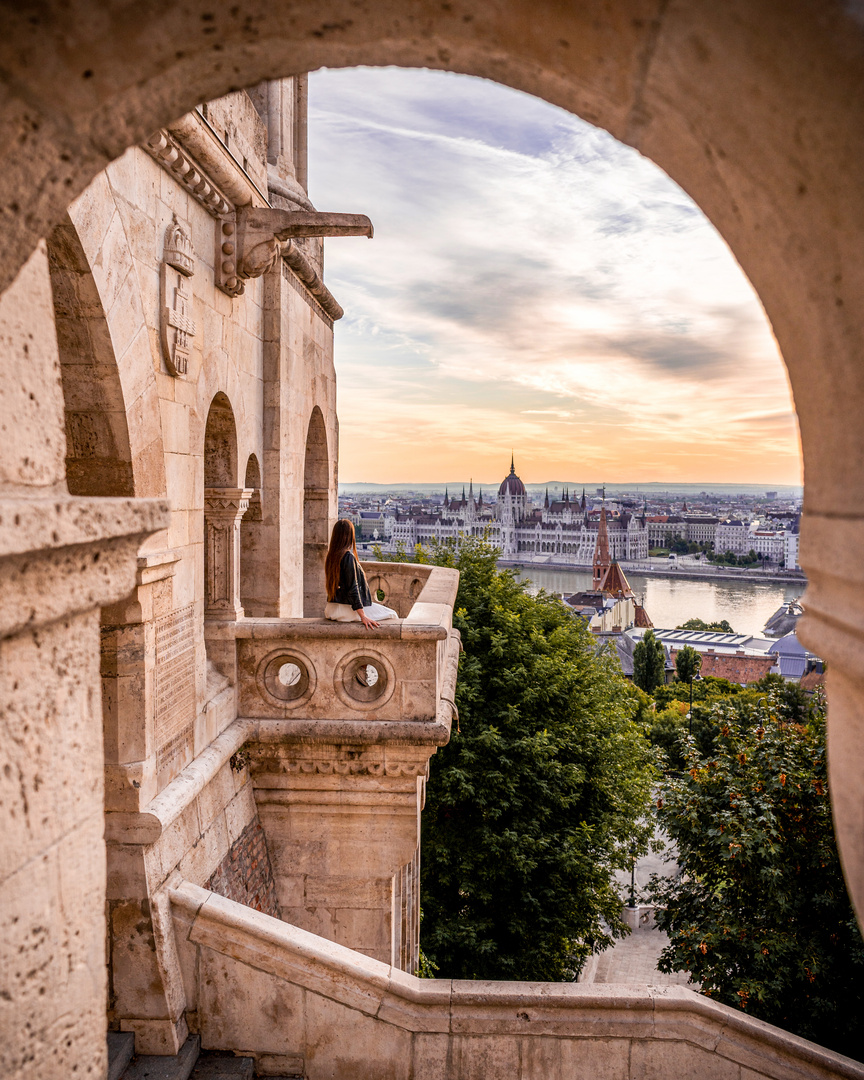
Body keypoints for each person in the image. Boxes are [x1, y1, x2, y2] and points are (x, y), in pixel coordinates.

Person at [324, 519, 398, 629]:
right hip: (346, 610)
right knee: (392, 615)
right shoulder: (348, 557)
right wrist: (363, 616)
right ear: (350, 536)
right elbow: (353, 588)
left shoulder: (331, 557)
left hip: (331, 609)